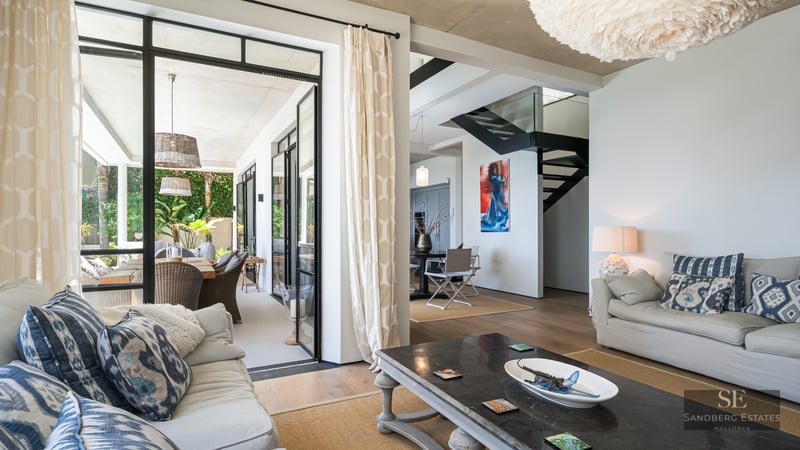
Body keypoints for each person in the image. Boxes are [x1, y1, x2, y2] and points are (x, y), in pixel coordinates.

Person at [480, 162, 508, 232]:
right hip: (496, 181)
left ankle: (497, 217)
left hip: (498, 181)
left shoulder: (498, 180)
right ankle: (495, 217)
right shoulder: (495, 180)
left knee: (497, 199)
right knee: (495, 200)